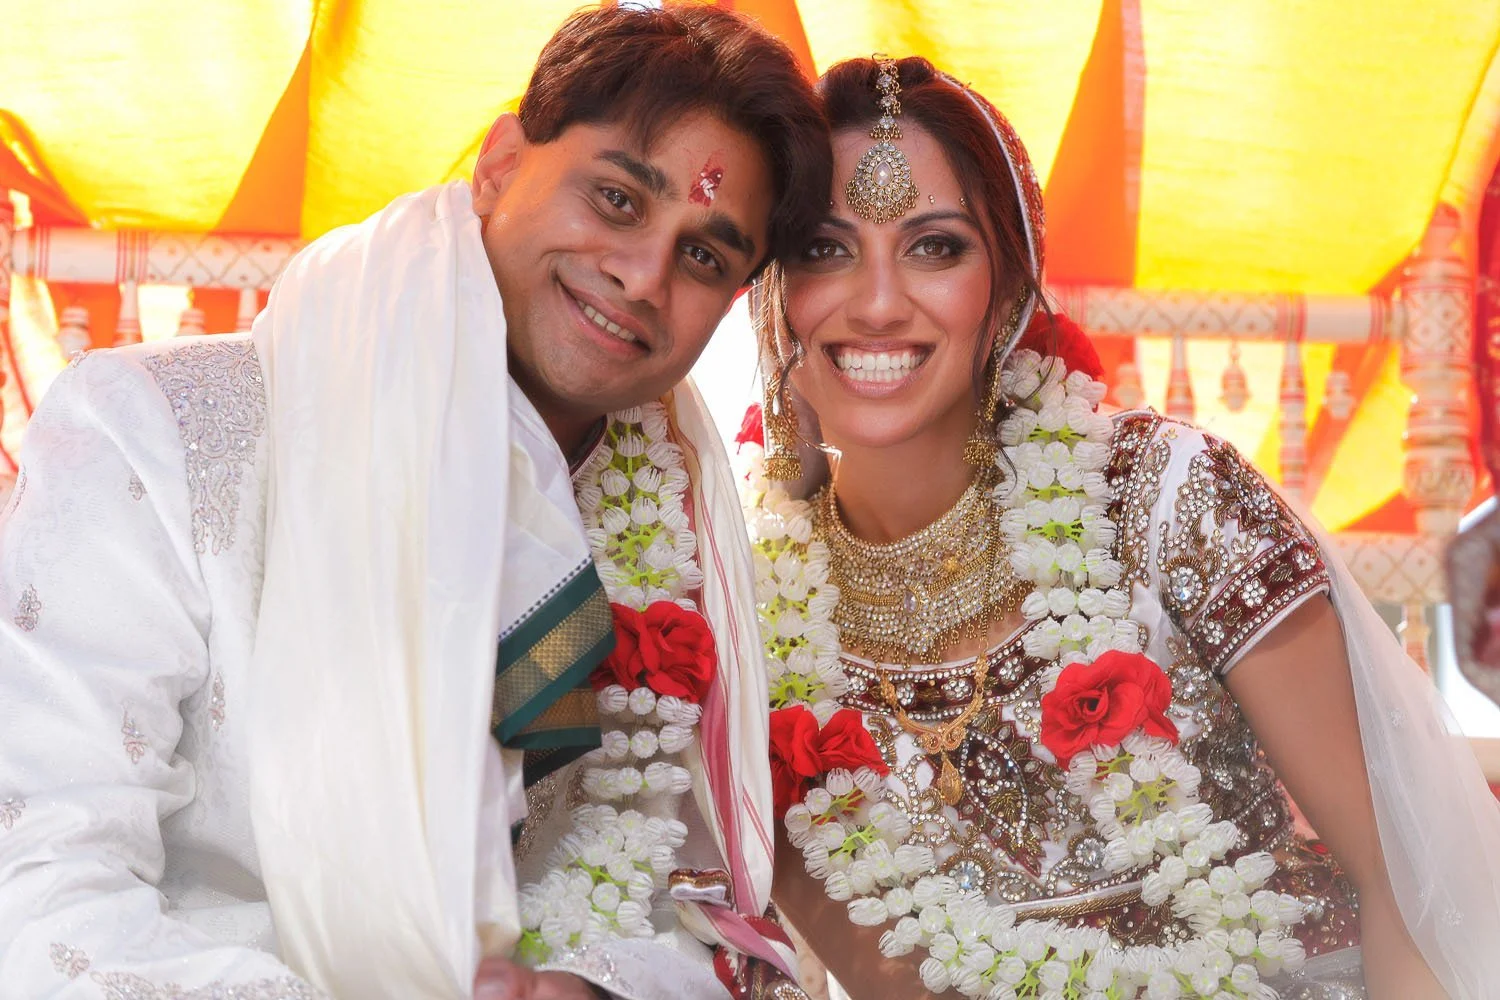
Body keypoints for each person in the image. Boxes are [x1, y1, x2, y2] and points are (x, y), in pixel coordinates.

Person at [0, 7, 829, 999]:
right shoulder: (152, 433)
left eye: (704, 257)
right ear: (499, 163)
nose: (642, 275)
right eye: (615, 199)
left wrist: (600, 987)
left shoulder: (676, 537)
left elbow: (694, 909)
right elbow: (41, 891)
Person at [740, 56, 1500, 999]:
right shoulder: (761, 615)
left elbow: (1404, 881)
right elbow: (897, 984)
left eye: (936, 247)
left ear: (1008, 292)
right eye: (823, 248)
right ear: (769, 295)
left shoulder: (1166, 497)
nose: (880, 301)